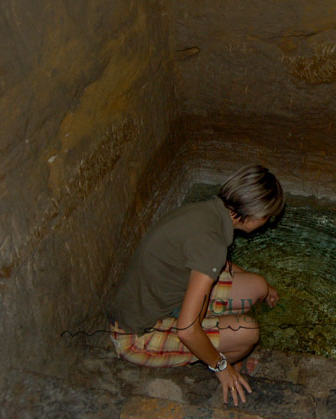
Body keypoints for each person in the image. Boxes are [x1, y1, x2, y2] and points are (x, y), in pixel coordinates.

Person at [105, 165, 284, 406]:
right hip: (136, 334)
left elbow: (210, 261)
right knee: (247, 332)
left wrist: (266, 288)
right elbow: (188, 329)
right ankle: (220, 359)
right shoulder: (212, 246)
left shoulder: (206, 212)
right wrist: (222, 367)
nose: (267, 221)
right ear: (256, 215)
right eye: (267, 217)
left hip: (161, 301)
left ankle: (216, 345)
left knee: (257, 287)